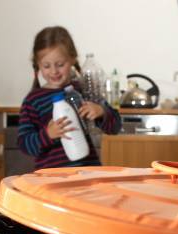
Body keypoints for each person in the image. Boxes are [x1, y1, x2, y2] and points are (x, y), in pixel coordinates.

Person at [18, 26, 120, 169]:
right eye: (46, 66)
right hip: (51, 178)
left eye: (60, 64)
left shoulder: (83, 91)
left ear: (72, 59)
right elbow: (24, 144)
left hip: (88, 172)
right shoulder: (33, 101)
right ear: (38, 65)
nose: (54, 71)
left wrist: (101, 111)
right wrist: (48, 134)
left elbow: (115, 126)